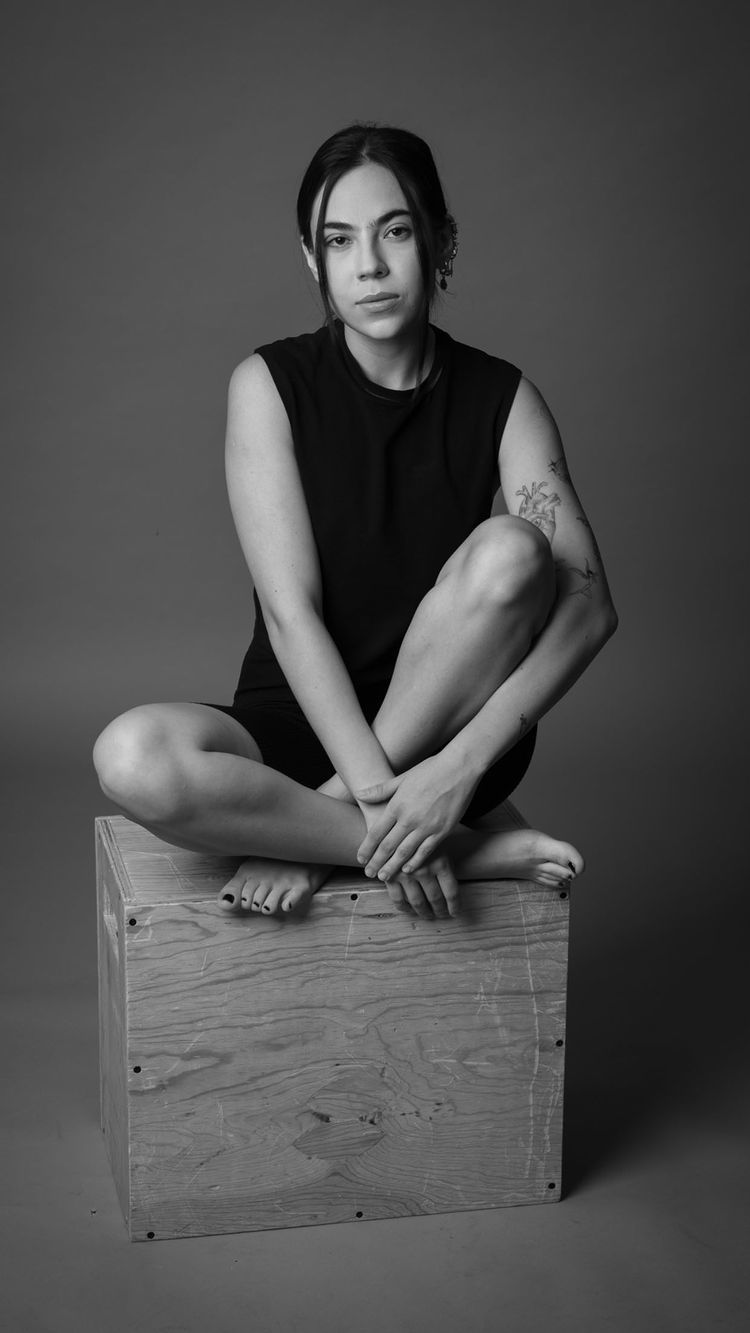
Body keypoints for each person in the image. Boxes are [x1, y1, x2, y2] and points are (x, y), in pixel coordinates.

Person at [93, 123, 617, 921]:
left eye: (395, 232)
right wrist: (374, 793)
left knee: (517, 549)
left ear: (441, 241)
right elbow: (290, 614)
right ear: (313, 260)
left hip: (453, 738)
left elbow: (589, 603)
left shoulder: (505, 398)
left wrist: (460, 768)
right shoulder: (268, 384)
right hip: (301, 722)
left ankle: (322, 833)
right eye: (339, 240)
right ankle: (455, 850)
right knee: (132, 756)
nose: (368, 265)